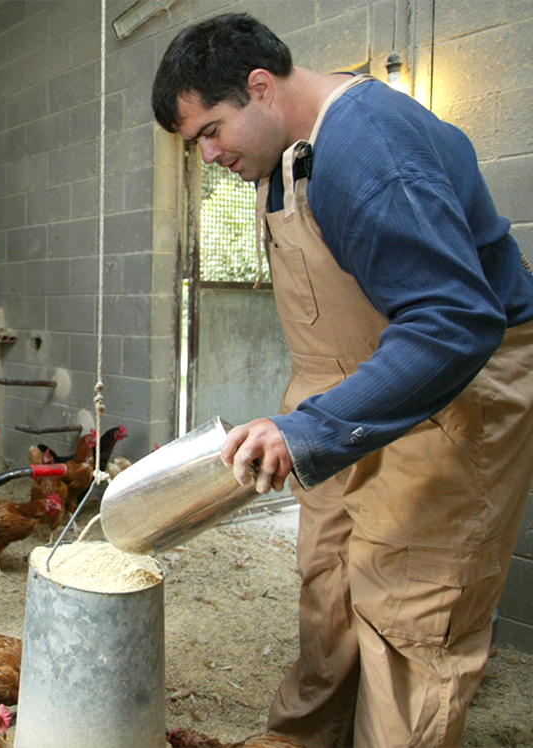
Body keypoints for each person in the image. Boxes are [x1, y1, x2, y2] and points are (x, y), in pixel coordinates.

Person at [152, 13, 533, 748]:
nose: (210, 155)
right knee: (327, 584)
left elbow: (453, 322)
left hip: (448, 389)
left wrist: (315, 428)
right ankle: (304, 737)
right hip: (353, 386)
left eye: (211, 132)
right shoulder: (289, 158)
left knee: (410, 612)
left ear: (260, 87)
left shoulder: (368, 145)